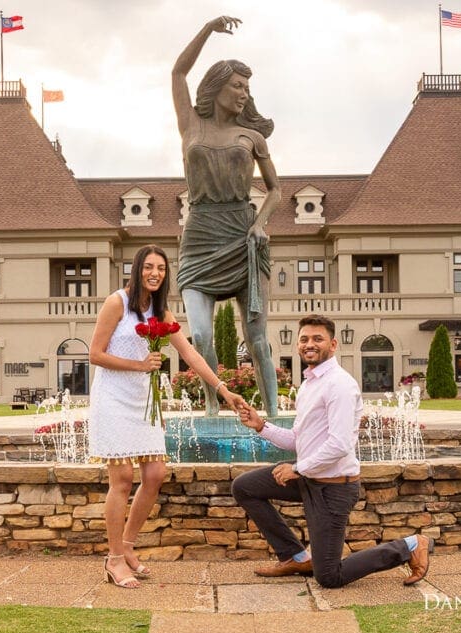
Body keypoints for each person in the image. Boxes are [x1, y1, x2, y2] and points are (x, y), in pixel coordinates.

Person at [232, 315, 434, 588]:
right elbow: (298, 439)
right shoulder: (309, 384)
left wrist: (296, 469)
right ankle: (296, 556)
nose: (309, 344)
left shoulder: (339, 385)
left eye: (318, 339)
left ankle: (410, 545)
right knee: (245, 487)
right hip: (310, 479)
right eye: (304, 339)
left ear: (333, 344)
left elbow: (339, 445)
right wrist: (261, 426)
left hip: (333, 489)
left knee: (329, 577)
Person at [89, 244, 246, 589]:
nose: (155, 273)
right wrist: (139, 365)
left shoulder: (162, 312)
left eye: (160, 268)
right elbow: (95, 354)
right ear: (137, 269)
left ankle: (127, 546)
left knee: (156, 474)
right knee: (123, 480)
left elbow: (190, 353)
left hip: (145, 400)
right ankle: (114, 559)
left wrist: (223, 390)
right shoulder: (117, 302)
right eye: (149, 267)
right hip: (113, 397)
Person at [173, 16, 281, 418]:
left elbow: (276, 189)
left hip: (242, 236)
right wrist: (206, 28)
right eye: (237, 85)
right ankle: (213, 405)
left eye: (247, 89)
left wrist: (259, 224)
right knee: (200, 333)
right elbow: (178, 70)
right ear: (217, 87)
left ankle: (272, 412)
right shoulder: (190, 124)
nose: (243, 93)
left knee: (256, 337)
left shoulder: (253, 137)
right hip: (199, 234)